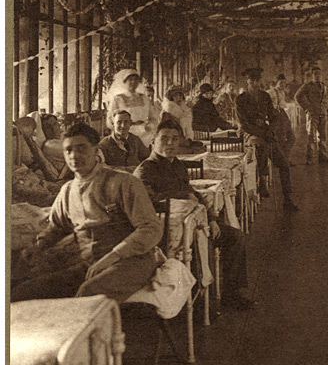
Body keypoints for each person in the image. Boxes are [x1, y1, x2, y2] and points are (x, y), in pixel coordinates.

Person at [13, 123, 162, 303]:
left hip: (130, 261)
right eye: (68, 150)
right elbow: (56, 227)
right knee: (23, 292)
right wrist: (38, 247)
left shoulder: (123, 182)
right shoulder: (67, 190)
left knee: (89, 293)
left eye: (81, 148)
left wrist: (112, 257)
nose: (74, 155)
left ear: (95, 150)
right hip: (89, 264)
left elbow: (150, 228)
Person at [134, 119, 254, 310]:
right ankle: (197, 305)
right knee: (199, 244)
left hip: (193, 224)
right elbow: (150, 201)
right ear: (153, 141)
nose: (170, 143)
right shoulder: (144, 171)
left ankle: (231, 294)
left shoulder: (178, 166)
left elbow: (194, 193)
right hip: (165, 233)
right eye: (164, 138)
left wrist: (212, 219)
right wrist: (183, 195)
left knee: (235, 237)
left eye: (175, 139)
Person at [236, 67, 299, 211]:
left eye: (257, 80)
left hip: (266, 132)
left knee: (283, 164)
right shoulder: (241, 99)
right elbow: (244, 123)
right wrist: (261, 132)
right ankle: (261, 179)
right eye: (252, 81)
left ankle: (287, 199)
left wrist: (271, 129)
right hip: (249, 134)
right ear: (247, 81)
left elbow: (273, 116)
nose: (255, 83)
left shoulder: (265, 96)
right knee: (259, 144)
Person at [106, 68, 159, 146]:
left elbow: (153, 117)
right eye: (130, 80)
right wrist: (120, 129)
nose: (133, 82)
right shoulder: (118, 99)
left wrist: (150, 126)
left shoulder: (144, 98)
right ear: (124, 82)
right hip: (125, 133)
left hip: (144, 133)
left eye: (135, 80)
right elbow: (110, 119)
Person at [295, 66, 328, 165]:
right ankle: (309, 158)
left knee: (323, 136)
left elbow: (327, 100)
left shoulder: (324, 86)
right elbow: (297, 96)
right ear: (312, 75)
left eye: (319, 74)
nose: (317, 76)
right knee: (311, 136)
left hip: (323, 114)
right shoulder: (307, 86)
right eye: (315, 74)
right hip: (313, 115)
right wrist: (307, 108)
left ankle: (323, 157)